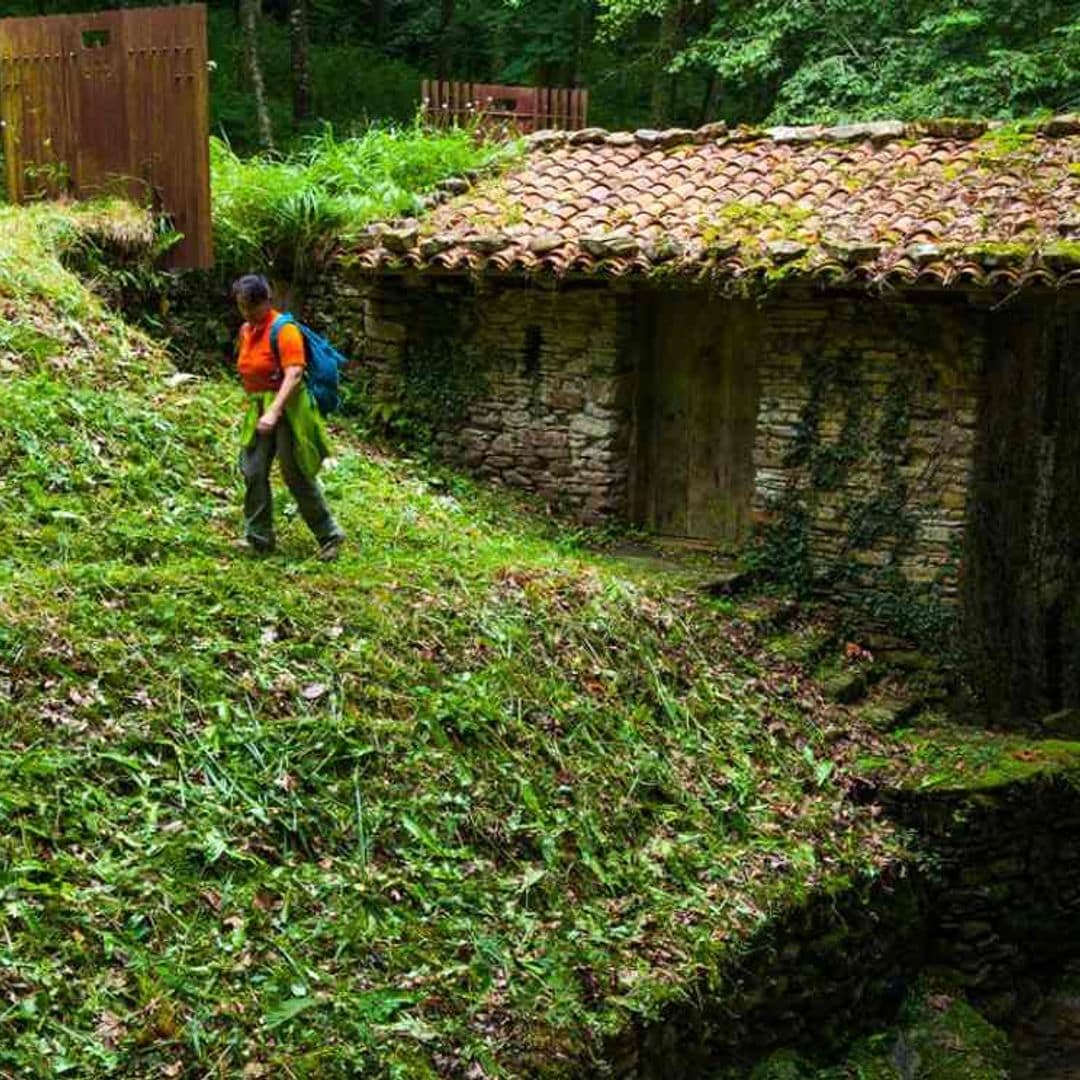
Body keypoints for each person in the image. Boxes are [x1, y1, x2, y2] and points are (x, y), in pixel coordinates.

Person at [232, 274, 345, 560]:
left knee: (294, 473)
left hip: (289, 407)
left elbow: (294, 373)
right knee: (253, 470)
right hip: (260, 407)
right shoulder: (247, 330)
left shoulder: (284, 330)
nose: (248, 313)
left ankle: (329, 535)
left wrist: (274, 411)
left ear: (267, 302)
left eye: (253, 308)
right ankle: (258, 537)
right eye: (243, 307)